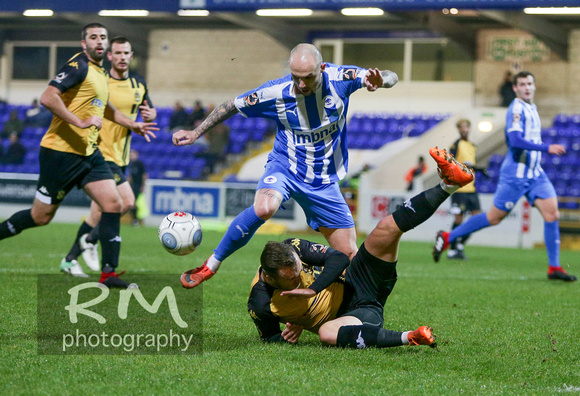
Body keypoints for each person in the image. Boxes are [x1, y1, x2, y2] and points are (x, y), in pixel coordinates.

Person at [174, 43, 399, 289]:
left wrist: (379, 82)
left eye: (308, 77)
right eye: (296, 77)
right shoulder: (276, 91)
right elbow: (231, 105)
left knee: (348, 255)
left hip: (323, 180)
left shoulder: (340, 78)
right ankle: (211, 265)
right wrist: (197, 132)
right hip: (286, 167)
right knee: (265, 207)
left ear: (322, 68)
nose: (302, 85)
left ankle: (332, 312)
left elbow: (390, 76)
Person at [247, 147, 474, 347]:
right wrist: (288, 335)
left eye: (298, 271)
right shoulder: (260, 303)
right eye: (290, 280)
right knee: (326, 333)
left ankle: (448, 184)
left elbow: (339, 258)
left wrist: (312, 289)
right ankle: (410, 337)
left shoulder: (293, 246)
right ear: (269, 276)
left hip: (358, 277)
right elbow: (270, 339)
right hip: (354, 313)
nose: (297, 279)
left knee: (385, 228)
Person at [0, 23, 157, 287]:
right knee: (41, 217)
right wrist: (79, 122)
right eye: (93, 37)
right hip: (60, 153)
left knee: (114, 204)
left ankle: (108, 274)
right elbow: (48, 97)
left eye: (103, 37)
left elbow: (105, 108)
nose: (99, 41)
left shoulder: (100, 72)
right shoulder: (78, 66)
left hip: (89, 153)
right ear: (84, 44)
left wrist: (133, 124)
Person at [433, 71, 577, 282]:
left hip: (536, 173)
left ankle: (554, 267)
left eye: (530, 83)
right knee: (493, 217)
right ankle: (447, 237)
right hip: (516, 174)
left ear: (534, 86)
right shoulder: (516, 109)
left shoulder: (532, 107)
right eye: (522, 84)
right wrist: (547, 148)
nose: (527, 87)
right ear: (515, 88)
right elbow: (516, 140)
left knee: (552, 215)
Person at [61, 36, 156, 277]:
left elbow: (149, 112)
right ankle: (91, 243)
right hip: (99, 153)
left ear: (132, 56)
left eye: (127, 53)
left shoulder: (139, 84)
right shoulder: (99, 80)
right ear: (110, 56)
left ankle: (71, 258)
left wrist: (150, 114)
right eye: (118, 53)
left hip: (121, 156)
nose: (123, 57)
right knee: (127, 202)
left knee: (98, 213)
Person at [445, 119, 487, 260]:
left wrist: (478, 169)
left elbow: (471, 165)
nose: (464, 129)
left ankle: (459, 244)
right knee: (459, 218)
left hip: (471, 188)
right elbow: (450, 163)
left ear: (469, 128)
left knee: (478, 219)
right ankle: (452, 248)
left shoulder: (472, 145)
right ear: (458, 129)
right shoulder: (455, 145)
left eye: (466, 127)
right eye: (461, 127)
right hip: (459, 188)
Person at [127, 149, 148, 225]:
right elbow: (130, 176)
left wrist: (143, 185)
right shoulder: (131, 164)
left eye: (132, 154)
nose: (131, 156)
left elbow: (144, 175)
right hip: (132, 185)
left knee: (135, 202)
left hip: (138, 185)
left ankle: (136, 220)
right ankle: (134, 219)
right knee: (132, 202)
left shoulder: (139, 164)